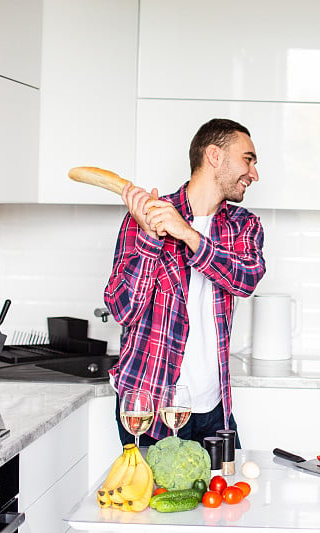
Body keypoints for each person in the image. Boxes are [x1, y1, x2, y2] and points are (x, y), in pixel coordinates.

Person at [105, 118, 266, 447]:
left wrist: (188, 235)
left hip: (214, 408)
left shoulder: (243, 225)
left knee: (227, 497)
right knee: (154, 499)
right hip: (149, 407)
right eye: (247, 159)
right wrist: (151, 238)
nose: (253, 174)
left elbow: (245, 280)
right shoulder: (147, 216)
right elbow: (123, 310)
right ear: (214, 155)